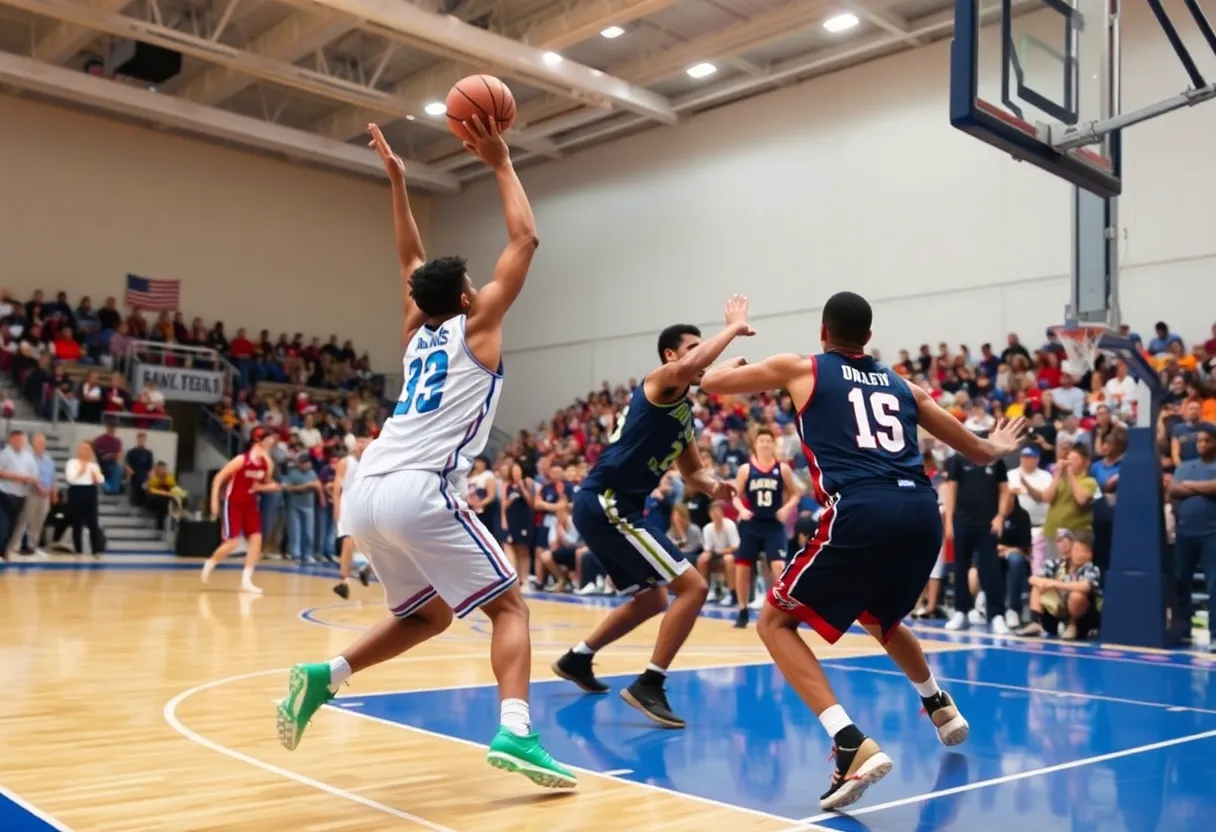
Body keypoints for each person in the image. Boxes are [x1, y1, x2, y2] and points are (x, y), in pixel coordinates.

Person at [276, 119, 575, 788]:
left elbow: (409, 267)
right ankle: (518, 733)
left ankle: (328, 676)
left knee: (429, 614)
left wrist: (398, 183)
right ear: (469, 296)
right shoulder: (480, 323)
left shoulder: (417, 332)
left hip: (369, 489)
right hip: (419, 486)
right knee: (510, 608)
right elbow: (525, 237)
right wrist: (500, 161)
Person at [698, 290, 1026, 810]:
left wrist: (735, 331)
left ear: (823, 331)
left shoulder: (801, 367)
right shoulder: (905, 385)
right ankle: (937, 702)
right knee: (882, 618)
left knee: (773, 623)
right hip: (921, 512)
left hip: (861, 509)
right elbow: (980, 450)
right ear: (869, 338)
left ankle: (849, 743)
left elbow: (709, 383)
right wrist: (1001, 446)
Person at [550, 296, 751, 728]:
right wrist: (732, 328)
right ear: (670, 354)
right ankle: (650, 684)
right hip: (608, 502)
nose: (696, 355)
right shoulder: (661, 382)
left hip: (608, 506)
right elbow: (688, 370)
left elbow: (693, 471)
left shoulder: (682, 414)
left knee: (654, 598)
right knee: (693, 587)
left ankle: (577, 659)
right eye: (691, 347)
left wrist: (715, 486)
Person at [942, 428, 1011, 634]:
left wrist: (1000, 516)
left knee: (991, 569)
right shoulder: (958, 459)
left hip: (988, 524)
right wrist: (949, 522)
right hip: (962, 522)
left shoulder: (995, 460)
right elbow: (951, 490)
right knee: (960, 568)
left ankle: (997, 614)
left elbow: (1005, 489)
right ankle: (960, 611)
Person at [730, 428, 800, 628]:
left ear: (773, 444)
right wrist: (741, 509)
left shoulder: (782, 468)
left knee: (778, 565)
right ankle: (742, 609)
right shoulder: (746, 469)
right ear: (755, 444)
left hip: (773, 524)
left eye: (768, 441)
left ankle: (782, 609)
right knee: (743, 566)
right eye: (761, 440)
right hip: (751, 523)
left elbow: (795, 494)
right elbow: (735, 495)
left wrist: (787, 508)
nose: (765, 444)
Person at [201, 428, 279, 594]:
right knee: (232, 542)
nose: (272, 442)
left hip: (250, 504)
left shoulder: (268, 463)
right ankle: (211, 562)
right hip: (233, 502)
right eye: (269, 439)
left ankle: (246, 580)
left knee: (256, 540)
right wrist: (214, 501)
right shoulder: (241, 460)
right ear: (259, 441)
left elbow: (268, 484)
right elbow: (218, 478)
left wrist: (266, 487)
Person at [1168, 426, 1216, 638]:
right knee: (1180, 579)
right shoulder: (1185, 466)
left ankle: (1215, 633)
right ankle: (1183, 628)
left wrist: (1189, 485)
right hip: (1185, 532)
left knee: (1214, 583)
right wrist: (1205, 487)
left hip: (1212, 534)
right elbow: (1173, 490)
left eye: (1207, 441)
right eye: (1199, 441)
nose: (1202, 445)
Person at [1016, 529, 1102, 639]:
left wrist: (1054, 583)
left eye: (1081, 550)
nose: (1076, 553)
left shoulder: (1091, 568)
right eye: (1076, 549)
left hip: (1084, 617)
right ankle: (1035, 622)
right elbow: (1033, 578)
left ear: (1089, 554)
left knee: (1077, 595)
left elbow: (1085, 586)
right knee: (1037, 587)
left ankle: (1072, 625)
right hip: (1058, 611)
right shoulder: (1056, 563)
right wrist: (1042, 582)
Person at [332, 439, 373, 599]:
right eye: (360, 443)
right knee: (347, 540)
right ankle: (344, 581)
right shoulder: (346, 462)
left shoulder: (371, 462)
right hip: (348, 504)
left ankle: (367, 568)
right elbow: (337, 485)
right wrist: (336, 505)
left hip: (363, 504)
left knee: (374, 540)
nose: (362, 446)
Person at [0, 430, 39, 555]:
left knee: (14, 525)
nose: (20, 442)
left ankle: (4, 550)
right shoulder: (4, 454)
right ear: (11, 440)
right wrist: (18, 477)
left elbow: (34, 476)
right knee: (4, 524)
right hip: (6, 494)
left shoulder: (28, 456)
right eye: (17, 439)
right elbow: (1, 473)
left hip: (22, 495)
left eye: (22, 440)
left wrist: (28, 479)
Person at [64, 441, 105, 557]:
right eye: (82, 449)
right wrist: (81, 471)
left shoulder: (94, 466)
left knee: (93, 522)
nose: (85, 452)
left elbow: (101, 479)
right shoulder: (72, 463)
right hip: (76, 491)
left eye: (87, 450)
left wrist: (96, 478)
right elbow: (70, 478)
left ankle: (95, 550)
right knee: (76, 522)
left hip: (90, 491)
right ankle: (78, 550)